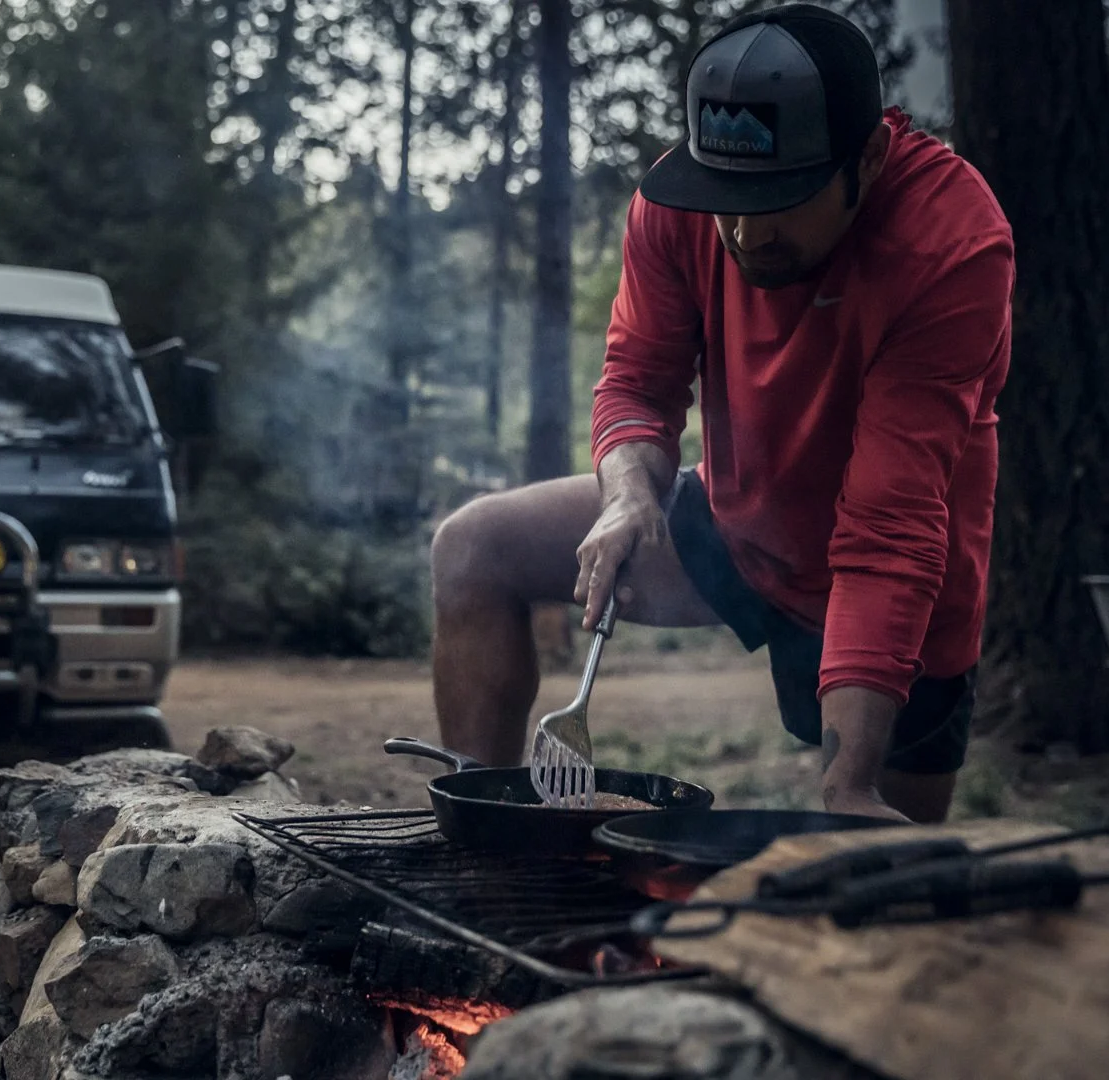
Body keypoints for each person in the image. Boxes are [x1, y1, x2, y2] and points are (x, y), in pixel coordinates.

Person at [429, 3, 1013, 823]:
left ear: (870, 158)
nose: (741, 232)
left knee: (884, 885)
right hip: (739, 524)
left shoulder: (950, 242)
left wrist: (848, 788)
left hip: (900, 580)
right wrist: (630, 493)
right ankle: (477, 840)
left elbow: (890, 522)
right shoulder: (680, 203)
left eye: (779, 199)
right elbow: (638, 379)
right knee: (474, 547)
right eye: (725, 197)